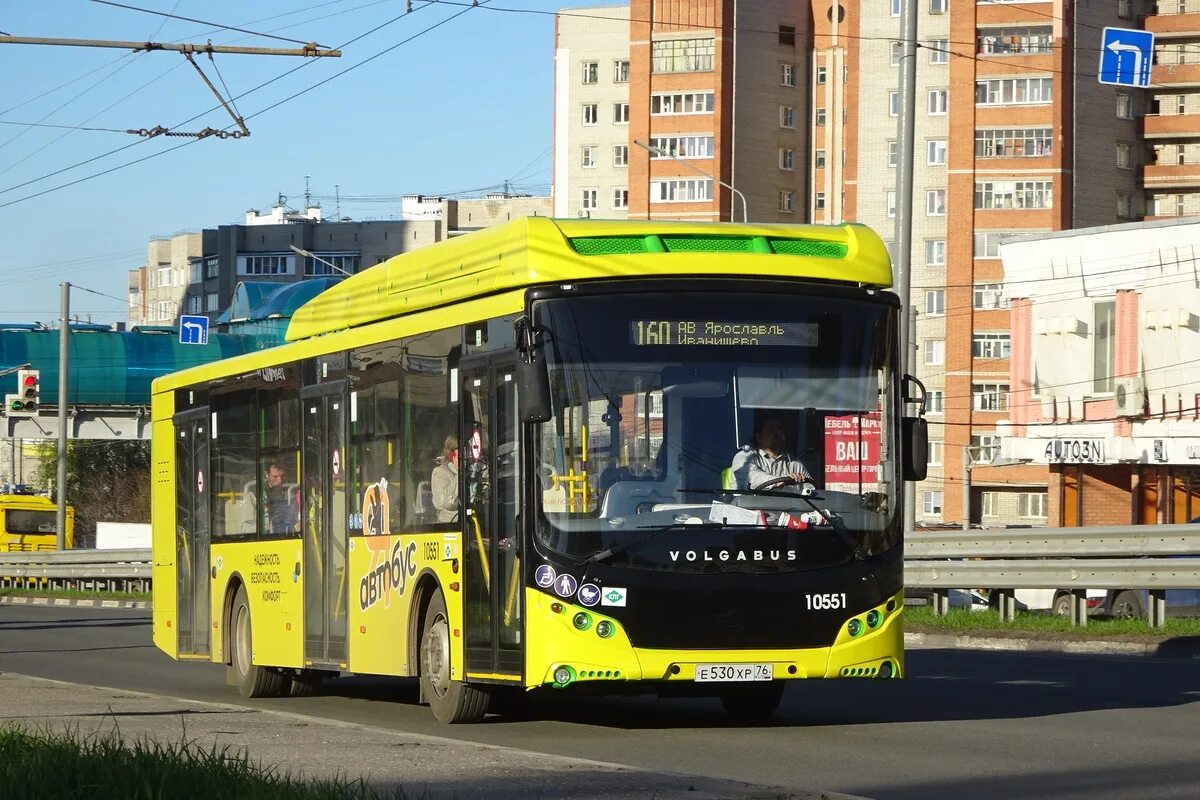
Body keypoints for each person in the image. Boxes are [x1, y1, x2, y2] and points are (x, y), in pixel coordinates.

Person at [731, 413, 812, 490]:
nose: (777, 432)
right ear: (759, 437)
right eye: (771, 429)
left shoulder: (795, 464)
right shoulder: (744, 457)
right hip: (744, 504)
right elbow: (754, 477)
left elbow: (812, 489)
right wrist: (782, 480)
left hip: (787, 505)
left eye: (779, 429)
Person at [430, 434, 460, 523]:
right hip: (450, 523)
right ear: (451, 455)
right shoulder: (439, 472)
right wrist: (459, 475)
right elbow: (445, 503)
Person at [264, 461, 299, 533]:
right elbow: (248, 523)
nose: (280, 480)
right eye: (275, 477)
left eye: (282, 476)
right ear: (267, 475)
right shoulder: (256, 493)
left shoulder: (291, 490)